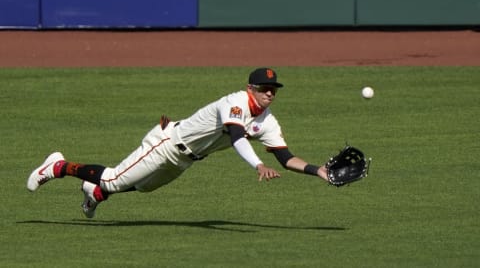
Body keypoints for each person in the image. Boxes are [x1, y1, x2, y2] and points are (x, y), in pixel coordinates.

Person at [27, 67, 329, 218]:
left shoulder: (268, 121)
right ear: (251, 88)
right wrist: (257, 164)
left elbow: (286, 158)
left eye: (274, 90)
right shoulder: (235, 102)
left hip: (185, 160)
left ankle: (96, 192)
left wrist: (318, 171)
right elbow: (236, 136)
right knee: (115, 178)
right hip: (168, 142)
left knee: (143, 187)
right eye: (265, 88)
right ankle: (58, 166)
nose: (270, 94)